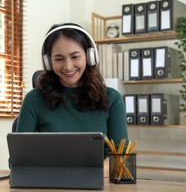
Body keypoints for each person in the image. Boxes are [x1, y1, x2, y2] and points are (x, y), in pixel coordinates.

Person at [15, 23, 128, 173]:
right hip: (48, 185)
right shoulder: (33, 100)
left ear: (90, 56)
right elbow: (18, 160)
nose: (68, 66)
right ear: (48, 62)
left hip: (100, 186)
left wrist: (83, 177)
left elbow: (119, 157)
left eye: (75, 56)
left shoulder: (112, 99)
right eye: (59, 59)